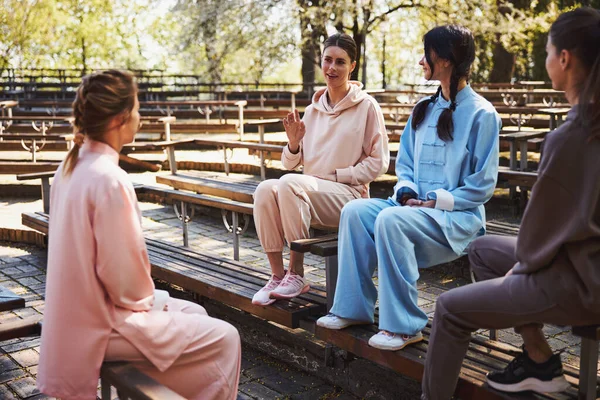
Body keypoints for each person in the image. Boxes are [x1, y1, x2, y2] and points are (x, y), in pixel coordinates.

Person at [421, 8, 600, 399]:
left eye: (549, 50)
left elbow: (536, 246)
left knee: (450, 308)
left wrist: (513, 285)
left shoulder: (572, 137)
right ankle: (539, 359)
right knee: (482, 249)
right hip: (584, 262)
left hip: (585, 283)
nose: (548, 57)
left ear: (564, 59)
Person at [37, 70, 241, 400]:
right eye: (136, 108)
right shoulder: (109, 179)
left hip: (74, 316)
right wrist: (150, 304)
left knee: (196, 315)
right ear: (120, 118)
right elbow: (125, 285)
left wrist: (153, 303)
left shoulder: (70, 166)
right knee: (225, 336)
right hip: (98, 323)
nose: (140, 116)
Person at [317, 25, 501, 352]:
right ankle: (352, 308)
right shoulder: (423, 109)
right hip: (413, 209)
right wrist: (405, 193)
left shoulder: (482, 114)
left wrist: (435, 203)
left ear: (445, 59)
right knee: (356, 211)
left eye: (426, 54)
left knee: (391, 220)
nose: (420, 61)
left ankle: (404, 326)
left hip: (458, 220)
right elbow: (405, 164)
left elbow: (483, 186)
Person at [251, 33, 389, 305]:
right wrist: (293, 144)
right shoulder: (312, 110)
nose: (332, 68)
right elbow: (289, 164)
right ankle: (278, 276)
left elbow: (379, 162)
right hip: (307, 196)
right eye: (327, 60)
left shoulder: (367, 107)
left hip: (349, 198)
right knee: (265, 189)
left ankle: (297, 272)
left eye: (340, 62)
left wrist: (340, 175)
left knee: (291, 183)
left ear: (352, 66)